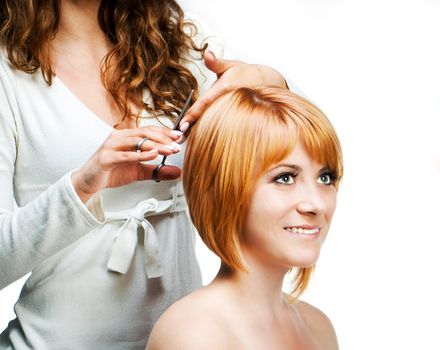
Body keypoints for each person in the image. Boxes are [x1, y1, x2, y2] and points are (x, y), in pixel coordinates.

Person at [0, 1, 293, 349]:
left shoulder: (175, 37)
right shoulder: (7, 72)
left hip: (184, 341)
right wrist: (82, 187)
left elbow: (313, 149)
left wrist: (270, 80)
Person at [146, 87, 343, 350]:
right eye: (285, 178)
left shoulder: (318, 327)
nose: (317, 204)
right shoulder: (194, 335)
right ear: (224, 189)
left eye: (325, 178)